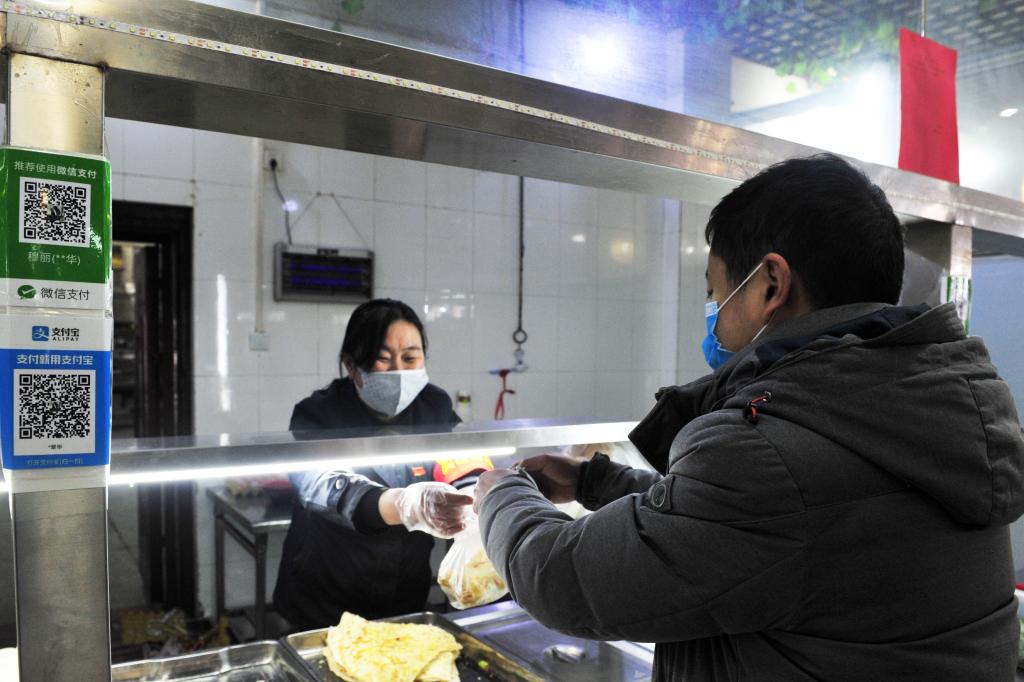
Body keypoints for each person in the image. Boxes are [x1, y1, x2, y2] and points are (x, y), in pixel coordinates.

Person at [473, 154, 1024, 681]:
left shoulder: (768, 450)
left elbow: (561, 579)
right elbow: (767, 522)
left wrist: (500, 493)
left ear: (770, 285)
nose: (712, 313)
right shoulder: (927, 405)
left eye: (713, 291)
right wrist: (595, 481)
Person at [274, 298, 489, 630]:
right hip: (325, 597)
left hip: (403, 592)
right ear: (351, 366)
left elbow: (459, 458)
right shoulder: (318, 413)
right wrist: (403, 505)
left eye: (410, 358)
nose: (399, 371)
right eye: (383, 359)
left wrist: (474, 492)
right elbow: (319, 483)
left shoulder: (433, 405)